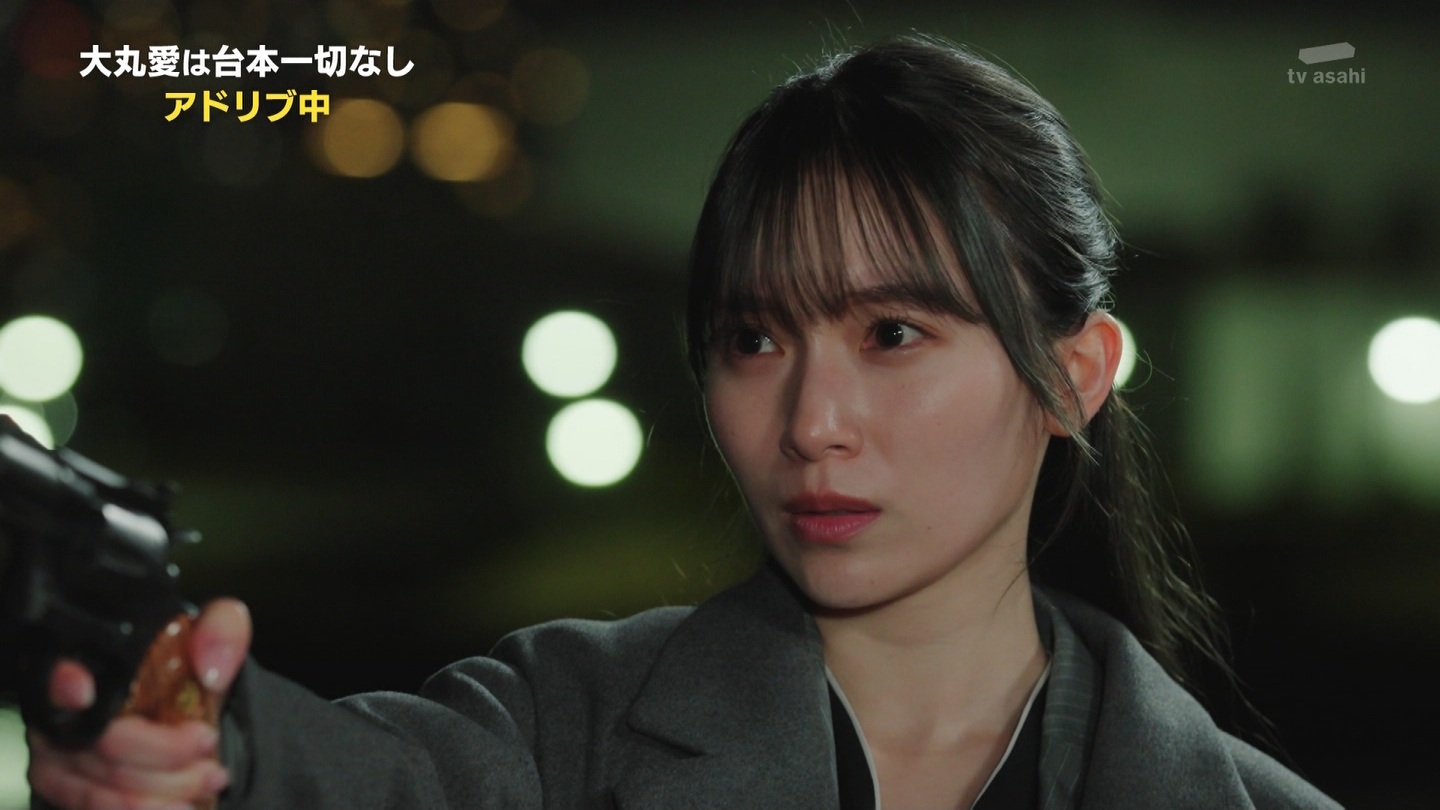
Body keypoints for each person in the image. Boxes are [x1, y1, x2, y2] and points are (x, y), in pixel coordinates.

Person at [27, 35, 1342, 809]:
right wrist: (199, 745)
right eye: (753, 339)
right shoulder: (564, 723)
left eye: (893, 333)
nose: (812, 422)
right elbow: (368, 775)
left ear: (1075, 376)